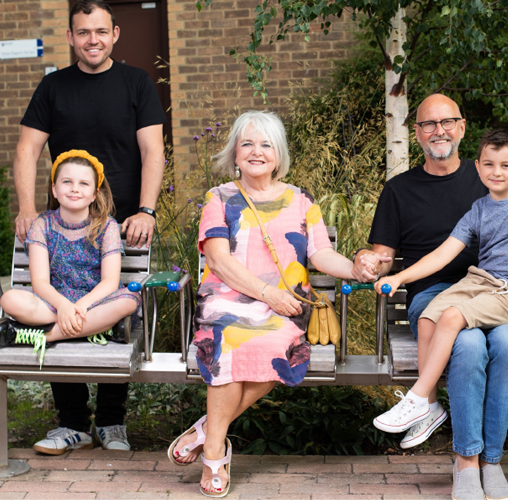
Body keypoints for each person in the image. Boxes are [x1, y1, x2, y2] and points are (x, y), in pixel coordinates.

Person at [352, 94, 508, 500]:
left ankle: (492, 461)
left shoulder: (489, 176)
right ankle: (466, 463)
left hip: (497, 292)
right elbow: (384, 254)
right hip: (435, 294)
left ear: (461, 128)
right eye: (428, 124)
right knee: (470, 346)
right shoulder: (400, 189)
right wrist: (367, 260)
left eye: (447, 122)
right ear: (417, 134)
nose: (438, 130)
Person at [167, 110, 357, 496]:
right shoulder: (218, 199)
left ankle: (205, 430)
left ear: (279, 154)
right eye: (247, 143)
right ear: (235, 153)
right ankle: (215, 453)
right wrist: (267, 293)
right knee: (229, 342)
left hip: (283, 308)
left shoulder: (301, 199)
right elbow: (219, 260)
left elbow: (321, 254)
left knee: (277, 347)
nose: (256, 151)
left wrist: (358, 270)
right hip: (227, 301)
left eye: (266, 144)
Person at [12, 0, 165, 453]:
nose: (92, 40)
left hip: (121, 225)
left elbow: (152, 152)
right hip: (61, 224)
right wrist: (25, 209)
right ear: (72, 37)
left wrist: (147, 210)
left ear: (115, 34)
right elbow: (26, 151)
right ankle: (73, 423)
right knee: (61, 300)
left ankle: (112, 422)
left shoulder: (136, 82)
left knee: (119, 308)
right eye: (83, 32)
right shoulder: (53, 87)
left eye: (100, 31)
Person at [373, 129, 508, 437]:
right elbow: (443, 254)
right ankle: (428, 403)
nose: (497, 172)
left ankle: (416, 397)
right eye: (489, 165)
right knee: (428, 317)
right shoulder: (479, 209)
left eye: (506, 165)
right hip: (480, 282)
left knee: (452, 316)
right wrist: (399, 276)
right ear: (477, 167)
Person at [0, 151, 141, 378]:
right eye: (67, 182)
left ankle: (48, 335)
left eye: (83, 183)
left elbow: (109, 282)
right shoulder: (42, 225)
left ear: (94, 194)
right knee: (9, 299)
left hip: (96, 302)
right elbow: (40, 283)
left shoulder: (107, 226)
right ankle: (98, 328)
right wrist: (64, 306)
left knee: (129, 301)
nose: (75, 188)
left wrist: (81, 306)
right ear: (55, 190)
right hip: (55, 302)